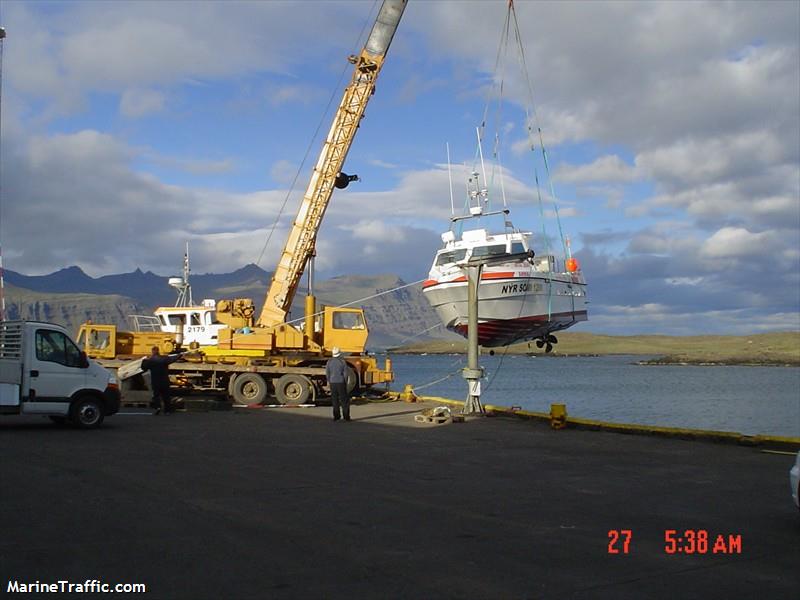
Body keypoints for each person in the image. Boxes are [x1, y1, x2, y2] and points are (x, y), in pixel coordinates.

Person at [141, 346, 183, 415]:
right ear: (158, 351)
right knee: (166, 396)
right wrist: (180, 355)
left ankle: (158, 407)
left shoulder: (150, 360)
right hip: (164, 381)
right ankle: (167, 411)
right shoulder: (164, 359)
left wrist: (144, 360)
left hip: (155, 381)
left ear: (152, 351)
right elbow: (173, 359)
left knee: (156, 395)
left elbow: (143, 368)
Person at [326, 347, 350, 421]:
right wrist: (345, 382)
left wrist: (329, 381)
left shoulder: (329, 362)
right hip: (341, 382)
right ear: (339, 353)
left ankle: (336, 416)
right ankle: (346, 417)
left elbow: (327, 373)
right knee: (344, 400)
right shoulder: (342, 362)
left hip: (332, 382)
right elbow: (346, 374)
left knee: (335, 400)